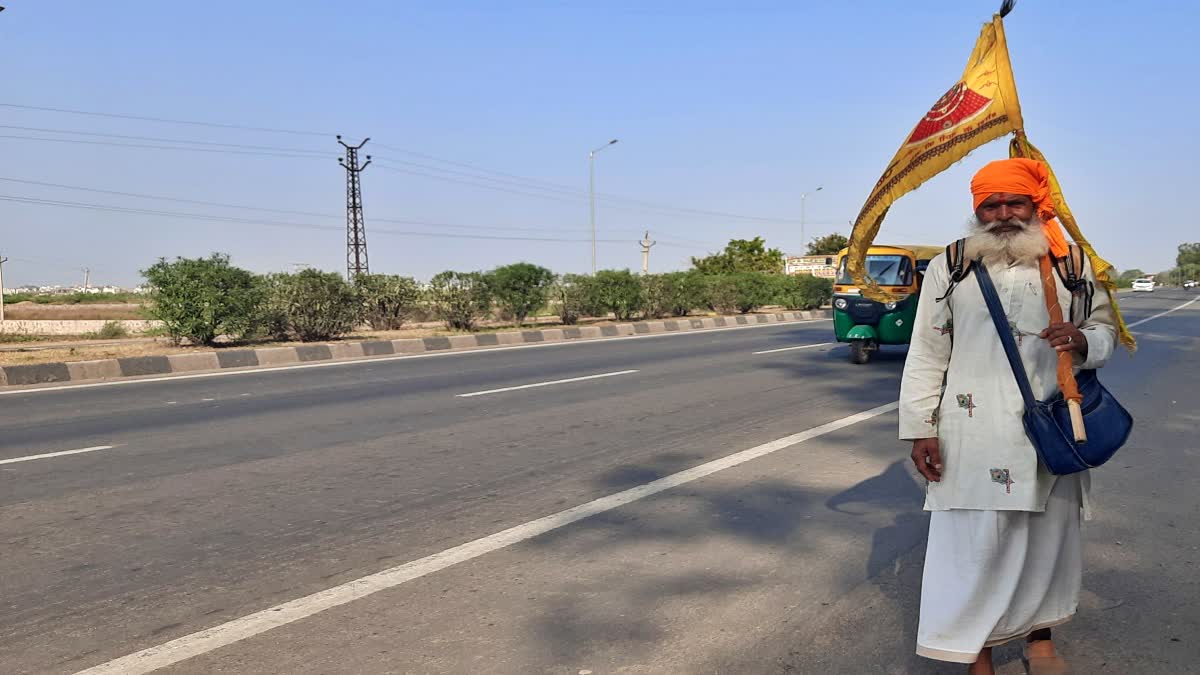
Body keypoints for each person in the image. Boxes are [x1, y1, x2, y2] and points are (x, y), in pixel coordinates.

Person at [899, 158, 1117, 674]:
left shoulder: (1072, 263)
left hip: (1052, 431)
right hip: (971, 432)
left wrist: (1085, 340)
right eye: (990, 205)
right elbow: (927, 351)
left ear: (1035, 205)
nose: (1002, 215)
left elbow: (1107, 328)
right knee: (975, 552)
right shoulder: (950, 266)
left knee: (1046, 543)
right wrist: (920, 428)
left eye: (1013, 203)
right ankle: (979, 655)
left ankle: (1040, 641)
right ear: (976, 211)